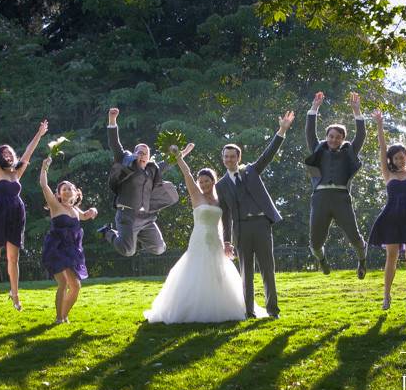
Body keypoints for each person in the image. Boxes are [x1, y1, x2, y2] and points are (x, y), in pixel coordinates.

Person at [144, 145, 262, 323]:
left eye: (207, 181)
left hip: (216, 241)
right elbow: (187, 173)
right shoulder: (196, 195)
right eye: (201, 182)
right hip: (199, 240)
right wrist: (178, 156)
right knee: (197, 272)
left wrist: (227, 243)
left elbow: (226, 220)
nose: (203, 184)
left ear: (213, 181)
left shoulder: (219, 199)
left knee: (218, 273)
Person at [216, 111, 295, 319]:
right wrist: (226, 241)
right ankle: (249, 312)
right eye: (226, 156)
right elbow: (225, 216)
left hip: (261, 224)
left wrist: (282, 130)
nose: (229, 159)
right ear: (223, 159)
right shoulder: (221, 185)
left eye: (233, 156)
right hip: (241, 229)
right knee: (246, 274)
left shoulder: (251, 170)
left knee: (268, 270)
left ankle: (273, 311)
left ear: (238, 158)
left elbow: (268, 154)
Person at [0, 114, 48, 312]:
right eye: (5, 154)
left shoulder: (16, 173)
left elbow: (28, 152)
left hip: (17, 216)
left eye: (10, 153)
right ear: (0, 158)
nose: (8, 155)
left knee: (13, 258)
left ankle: (14, 294)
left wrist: (39, 134)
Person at [98, 107, 183, 256]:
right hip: (127, 216)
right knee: (128, 251)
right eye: (140, 152)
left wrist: (183, 153)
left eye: (146, 153)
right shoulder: (125, 161)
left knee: (159, 249)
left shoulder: (152, 170)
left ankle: (136, 237)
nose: (143, 155)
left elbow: (167, 163)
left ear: (149, 158)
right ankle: (107, 232)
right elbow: (114, 144)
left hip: (146, 217)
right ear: (134, 154)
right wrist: (112, 121)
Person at [367, 110, 406, 310]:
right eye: (396, 158)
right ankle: (386, 297)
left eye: (402, 157)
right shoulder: (388, 174)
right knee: (391, 256)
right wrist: (379, 124)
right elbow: (382, 147)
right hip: (391, 217)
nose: (400, 160)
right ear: (391, 160)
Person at [305, 91, 368, 278]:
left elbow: (361, 135)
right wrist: (314, 108)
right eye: (331, 136)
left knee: (355, 237)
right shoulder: (319, 150)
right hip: (320, 198)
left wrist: (357, 111)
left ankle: (362, 260)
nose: (334, 139)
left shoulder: (349, 151)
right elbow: (310, 132)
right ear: (327, 137)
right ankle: (322, 259)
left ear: (342, 139)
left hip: (341, 198)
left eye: (338, 137)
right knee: (315, 242)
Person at [40, 156, 98, 324]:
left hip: (71, 251)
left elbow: (86, 216)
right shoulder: (55, 206)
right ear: (58, 194)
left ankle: (64, 316)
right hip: (56, 249)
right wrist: (45, 167)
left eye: (69, 188)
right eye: (63, 189)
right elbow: (44, 185)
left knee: (76, 286)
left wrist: (93, 210)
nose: (66, 190)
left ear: (75, 193)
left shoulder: (75, 210)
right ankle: (59, 318)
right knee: (63, 283)